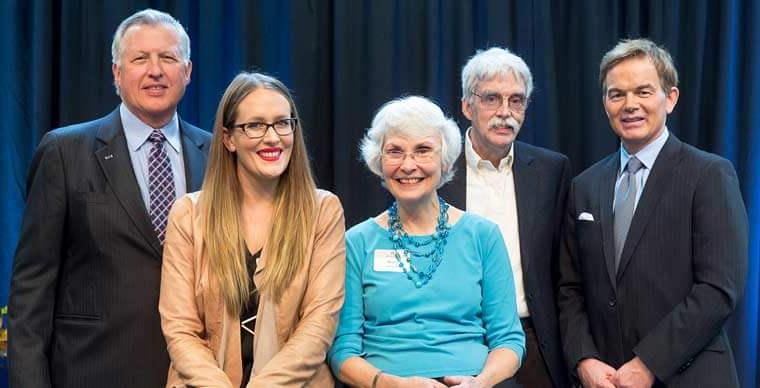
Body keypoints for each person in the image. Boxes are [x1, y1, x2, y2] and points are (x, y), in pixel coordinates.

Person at [7, 9, 210, 387]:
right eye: (139, 59)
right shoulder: (65, 152)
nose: (155, 70)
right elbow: (30, 293)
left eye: (167, 58)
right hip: (92, 372)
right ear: (117, 73)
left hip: (194, 376)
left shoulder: (216, 156)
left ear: (188, 72)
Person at [557, 38, 747, 388]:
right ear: (605, 103)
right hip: (606, 380)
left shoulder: (709, 175)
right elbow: (570, 288)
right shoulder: (584, 186)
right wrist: (584, 358)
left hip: (690, 376)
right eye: (617, 94)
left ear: (670, 98)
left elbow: (719, 288)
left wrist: (649, 363)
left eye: (643, 92)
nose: (630, 105)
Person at [159, 72, 346, 387]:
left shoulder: (323, 211)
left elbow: (319, 324)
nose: (272, 137)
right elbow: (180, 329)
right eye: (255, 125)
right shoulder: (189, 214)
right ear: (229, 138)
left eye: (282, 123)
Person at [329, 96, 525, 388]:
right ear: (379, 162)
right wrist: (393, 385)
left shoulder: (483, 236)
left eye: (423, 150)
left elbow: (508, 340)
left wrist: (479, 383)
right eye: (395, 151)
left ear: (445, 161)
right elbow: (343, 350)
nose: (408, 165)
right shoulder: (357, 242)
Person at [439, 47, 571, 388]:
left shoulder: (551, 170)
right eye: (492, 99)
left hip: (533, 344)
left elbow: (563, 269)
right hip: (459, 343)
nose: (505, 113)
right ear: (467, 106)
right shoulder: (437, 171)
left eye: (516, 100)